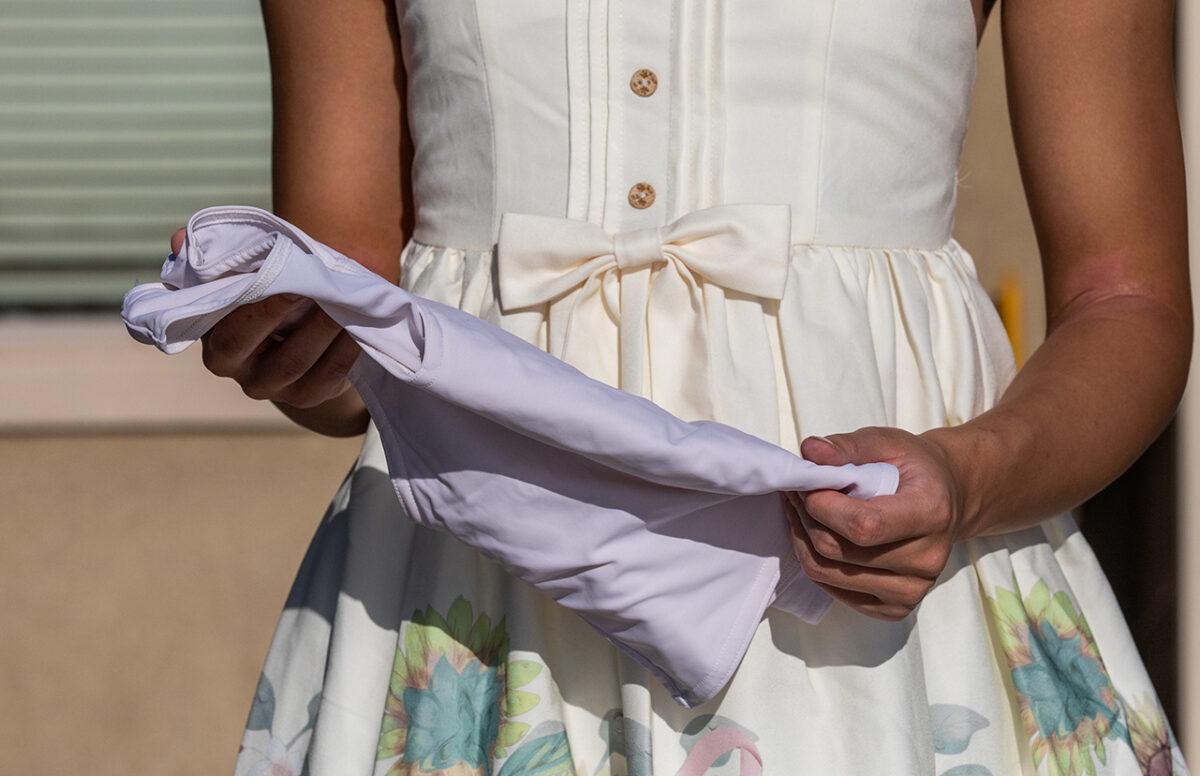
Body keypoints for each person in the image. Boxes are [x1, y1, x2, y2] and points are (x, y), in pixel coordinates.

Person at [176, 0, 1192, 772]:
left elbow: (1127, 297)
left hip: (880, 592)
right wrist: (294, 338)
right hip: (466, 603)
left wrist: (967, 479)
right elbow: (348, 322)